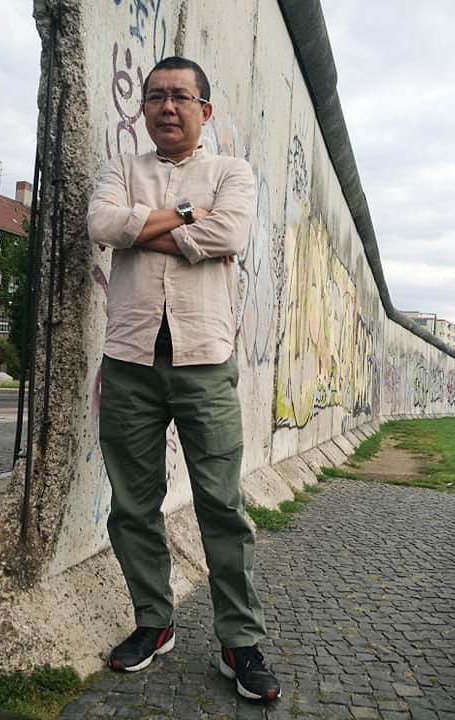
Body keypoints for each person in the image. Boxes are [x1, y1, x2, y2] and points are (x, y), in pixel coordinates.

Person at [86, 56, 281, 703]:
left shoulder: (231, 172)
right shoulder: (123, 168)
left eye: (181, 96)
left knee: (222, 505)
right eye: (155, 97)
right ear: (143, 108)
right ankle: (154, 621)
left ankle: (239, 640)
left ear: (205, 109)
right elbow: (102, 225)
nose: (167, 107)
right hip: (130, 362)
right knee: (132, 507)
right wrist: (187, 215)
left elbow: (230, 234)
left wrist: (145, 225)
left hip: (206, 361)